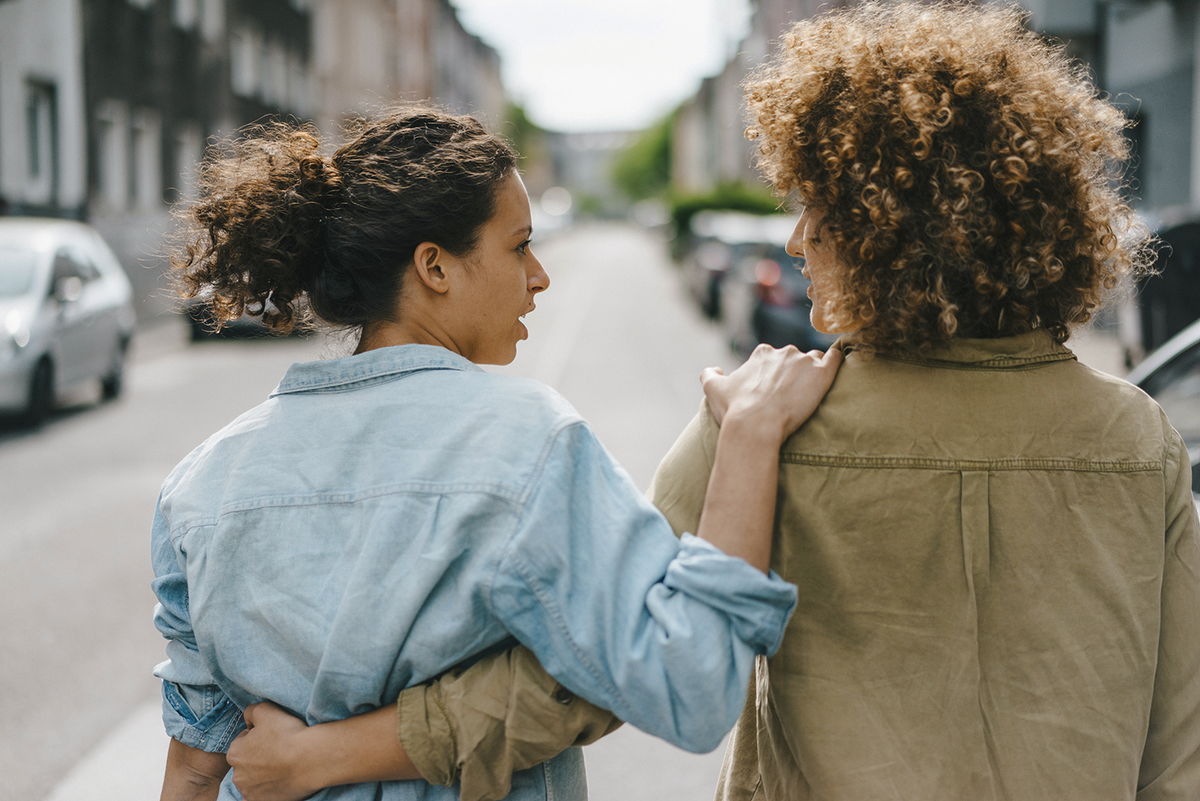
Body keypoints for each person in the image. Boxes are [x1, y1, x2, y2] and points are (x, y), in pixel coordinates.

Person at [225, 3, 1200, 801]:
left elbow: (588, 675)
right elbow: (1178, 747)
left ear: (881, 226)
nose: (795, 241)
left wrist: (334, 754)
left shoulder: (764, 423)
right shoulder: (1140, 440)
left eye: (817, 207)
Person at [152, 105, 844, 801]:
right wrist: (751, 432)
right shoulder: (524, 442)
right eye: (518, 247)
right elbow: (689, 683)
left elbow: (194, 767)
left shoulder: (199, 484)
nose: (539, 275)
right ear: (435, 266)